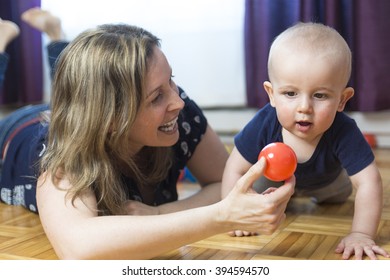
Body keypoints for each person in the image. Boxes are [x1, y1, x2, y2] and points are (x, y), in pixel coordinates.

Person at [0, 8, 295, 259]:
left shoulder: (182, 112)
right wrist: (222, 216)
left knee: (83, 86)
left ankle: (55, 36)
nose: (178, 102)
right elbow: (79, 247)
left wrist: (162, 212)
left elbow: (223, 182)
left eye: (172, 81)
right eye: (156, 97)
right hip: (17, 131)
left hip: (79, 108)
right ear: (110, 119)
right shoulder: (62, 149)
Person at [221, 22, 390, 260]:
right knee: (257, 194)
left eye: (320, 95)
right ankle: (278, 201)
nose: (304, 108)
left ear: (342, 100)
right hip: (274, 184)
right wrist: (233, 214)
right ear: (271, 94)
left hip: (328, 183)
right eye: (290, 93)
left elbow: (369, 182)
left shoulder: (344, 130)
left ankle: (327, 194)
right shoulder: (264, 123)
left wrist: (361, 233)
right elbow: (235, 168)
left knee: (340, 194)